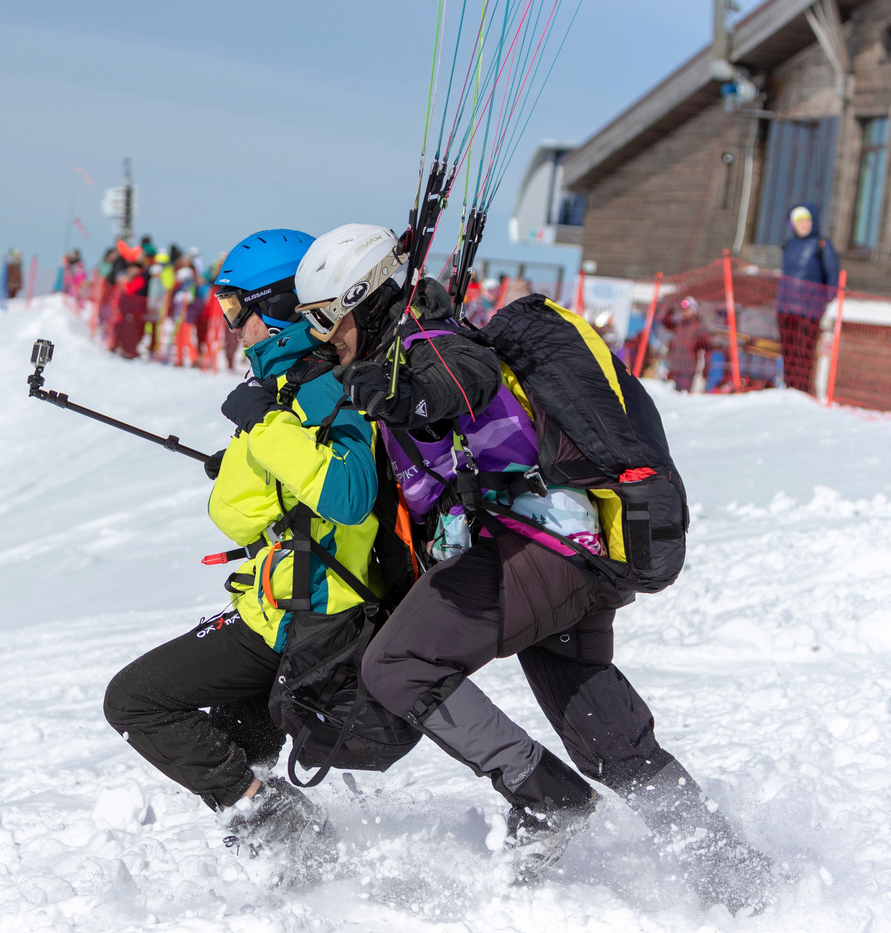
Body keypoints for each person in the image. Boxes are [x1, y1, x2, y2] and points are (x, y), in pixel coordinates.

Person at [292, 224, 773, 911]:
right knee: (608, 741)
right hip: (574, 552)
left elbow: (460, 382)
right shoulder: (414, 343)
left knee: (398, 664)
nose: (321, 335)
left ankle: (547, 801)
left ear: (363, 300)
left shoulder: (429, 349)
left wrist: (399, 397)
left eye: (325, 318)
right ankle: (735, 873)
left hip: (540, 548)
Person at [104, 228, 379, 871]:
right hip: (285, 594)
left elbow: (347, 490)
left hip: (302, 607)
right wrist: (244, 458)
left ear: (282, 304)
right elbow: (289, 477)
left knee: (135, 700)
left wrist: (262, 427)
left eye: (238, 308)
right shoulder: (292, 382)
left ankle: (277, 824)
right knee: (235, 744)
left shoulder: (317, 385)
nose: (233, 327)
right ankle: (288, 870)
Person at [775, 204, 840, 392]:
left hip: (809, 310)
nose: (803, 225)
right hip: (785, 308)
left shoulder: (822, 245)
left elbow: (833, 279)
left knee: (803, 351)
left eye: (806, 220)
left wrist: (822, 300)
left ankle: (801, 389)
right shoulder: (789, 245)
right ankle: (788, 387)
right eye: (799, 221)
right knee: (788, 351)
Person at [663, 297, 711, 392]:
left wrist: (705, 369)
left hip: (689, 366)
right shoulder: (680, 324)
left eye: (687, 309)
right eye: (683, 310)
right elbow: (665, 322)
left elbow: (706, 348)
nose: (684, 312)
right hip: (676, 365)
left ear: (694, 310)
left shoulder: (699, 326)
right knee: (672, 395)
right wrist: (669, 308)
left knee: (683, 394)